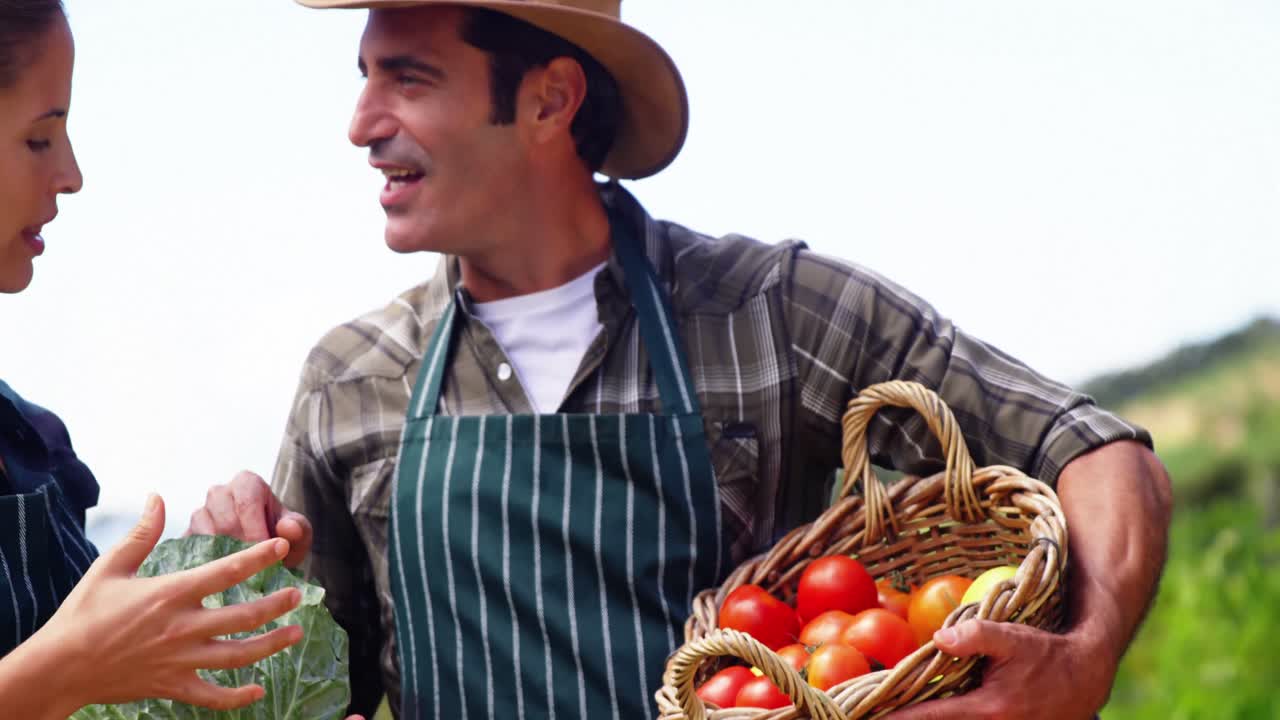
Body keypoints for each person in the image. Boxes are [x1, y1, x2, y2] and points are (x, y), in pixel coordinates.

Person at [191, 1, 1173, 718]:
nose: (360, 124)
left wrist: (1080, 661)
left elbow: (1089, 449)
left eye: (406, 78)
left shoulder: (774, 312)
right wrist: (227, 569)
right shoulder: (351, 383)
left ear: (549, 99)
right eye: (363, 78)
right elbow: (306, 689)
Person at [0, 3, 366, 718]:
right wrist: (63, 670)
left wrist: (209, 580)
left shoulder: (30, 441)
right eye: (39, 139)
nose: (71, 175)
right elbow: (77, 664)